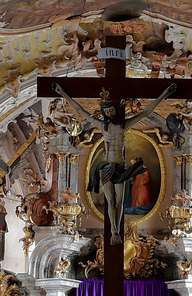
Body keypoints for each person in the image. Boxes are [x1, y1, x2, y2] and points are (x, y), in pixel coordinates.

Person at [54, 83, 173, 243]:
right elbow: (81, 111)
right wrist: (63, 93)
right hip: (108, 167)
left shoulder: (124, 125)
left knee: (119, 201)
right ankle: (114, 231)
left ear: (116, 110)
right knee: (110, 200)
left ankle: (117, 230)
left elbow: (146, 112)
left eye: (111, 110)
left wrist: (164, 94)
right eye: (107, 112)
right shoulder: (103, 126)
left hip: (120, 167)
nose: (109, 113)